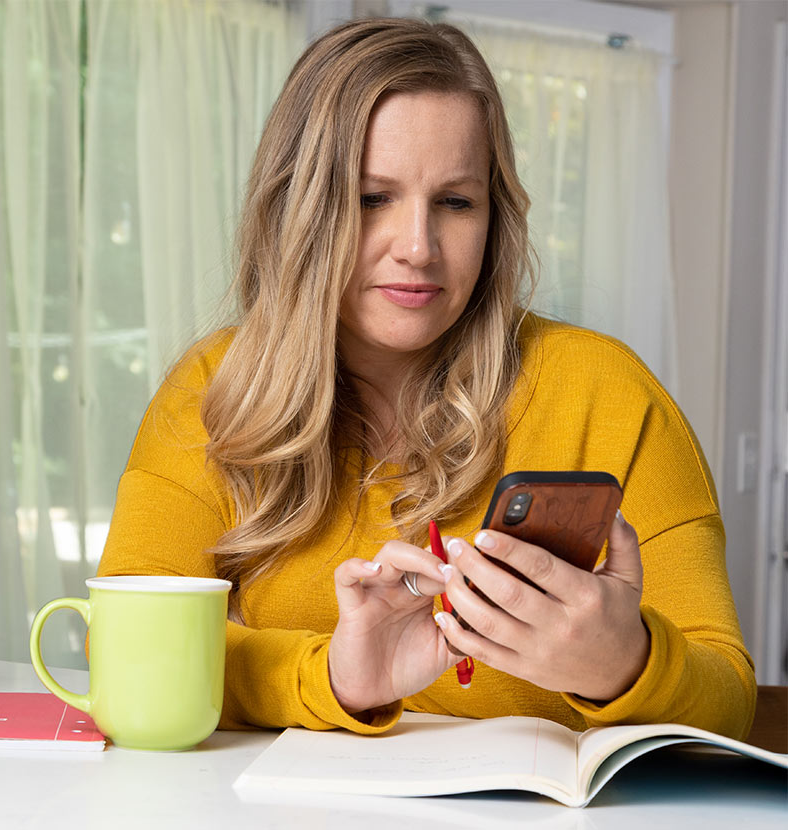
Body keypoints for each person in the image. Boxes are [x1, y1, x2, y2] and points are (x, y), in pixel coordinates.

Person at [97, 17, 756, 738]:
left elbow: (728, 697)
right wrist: (334, 677)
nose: (418, 247)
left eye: (455, 202)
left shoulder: (610, 392)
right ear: (300, 207)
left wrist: (625, 665)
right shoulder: (213, 389)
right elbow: (131, 644)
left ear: (494, 219)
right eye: (372, 198)